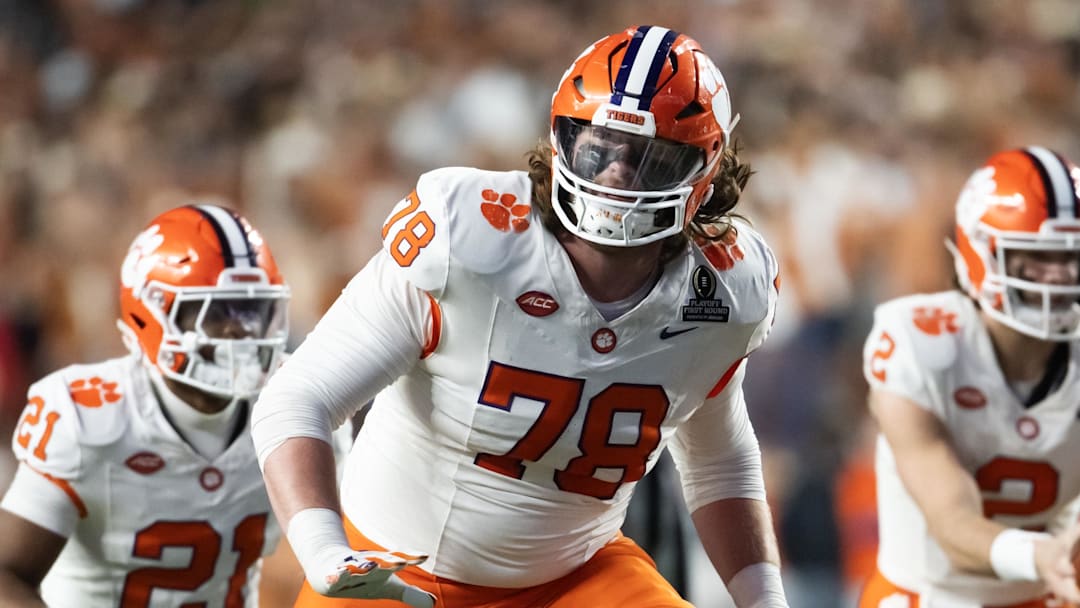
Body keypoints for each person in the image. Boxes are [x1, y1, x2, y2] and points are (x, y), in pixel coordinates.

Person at [251, 25, 789, 608]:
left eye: (650, 159)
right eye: (599, 147)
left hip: (574, 579)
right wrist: (325, 550)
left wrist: (765, 600)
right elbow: (297, 397)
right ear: (562, 139)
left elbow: (719, 462)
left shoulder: (724, 291)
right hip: (391, 573)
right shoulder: (470, 240)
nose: (615, 173)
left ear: (705, 173)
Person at [0, 203, 297, 606]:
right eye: (216, 310)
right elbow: (8, 574)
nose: (240, 330)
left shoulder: (294, 404)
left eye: (251, 310)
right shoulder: (88, 417)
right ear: (151, 314)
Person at [859, 147, 1080, 607]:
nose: (1060, 276)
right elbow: (953, 526)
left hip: (1049, 595)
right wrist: (1042, 556)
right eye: (1037, 257)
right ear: (981, 253)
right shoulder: (918, 343)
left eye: (1072, 255)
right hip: (927, 595)